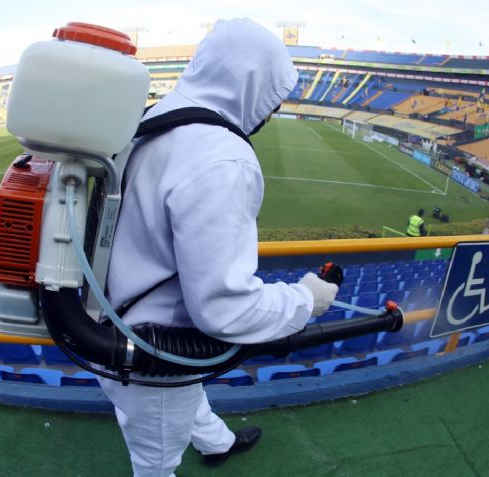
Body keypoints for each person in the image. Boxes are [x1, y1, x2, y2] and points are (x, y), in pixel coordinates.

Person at [100, 18, 338, 477]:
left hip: (116, 320)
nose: (271, 112)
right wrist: (306, 299)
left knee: (188, 395)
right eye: (274, 98)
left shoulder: (155, 117)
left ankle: (217, 444)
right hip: (153, 349)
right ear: (255, 87)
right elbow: (223, 309)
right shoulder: (222, 157)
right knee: (155, 461)